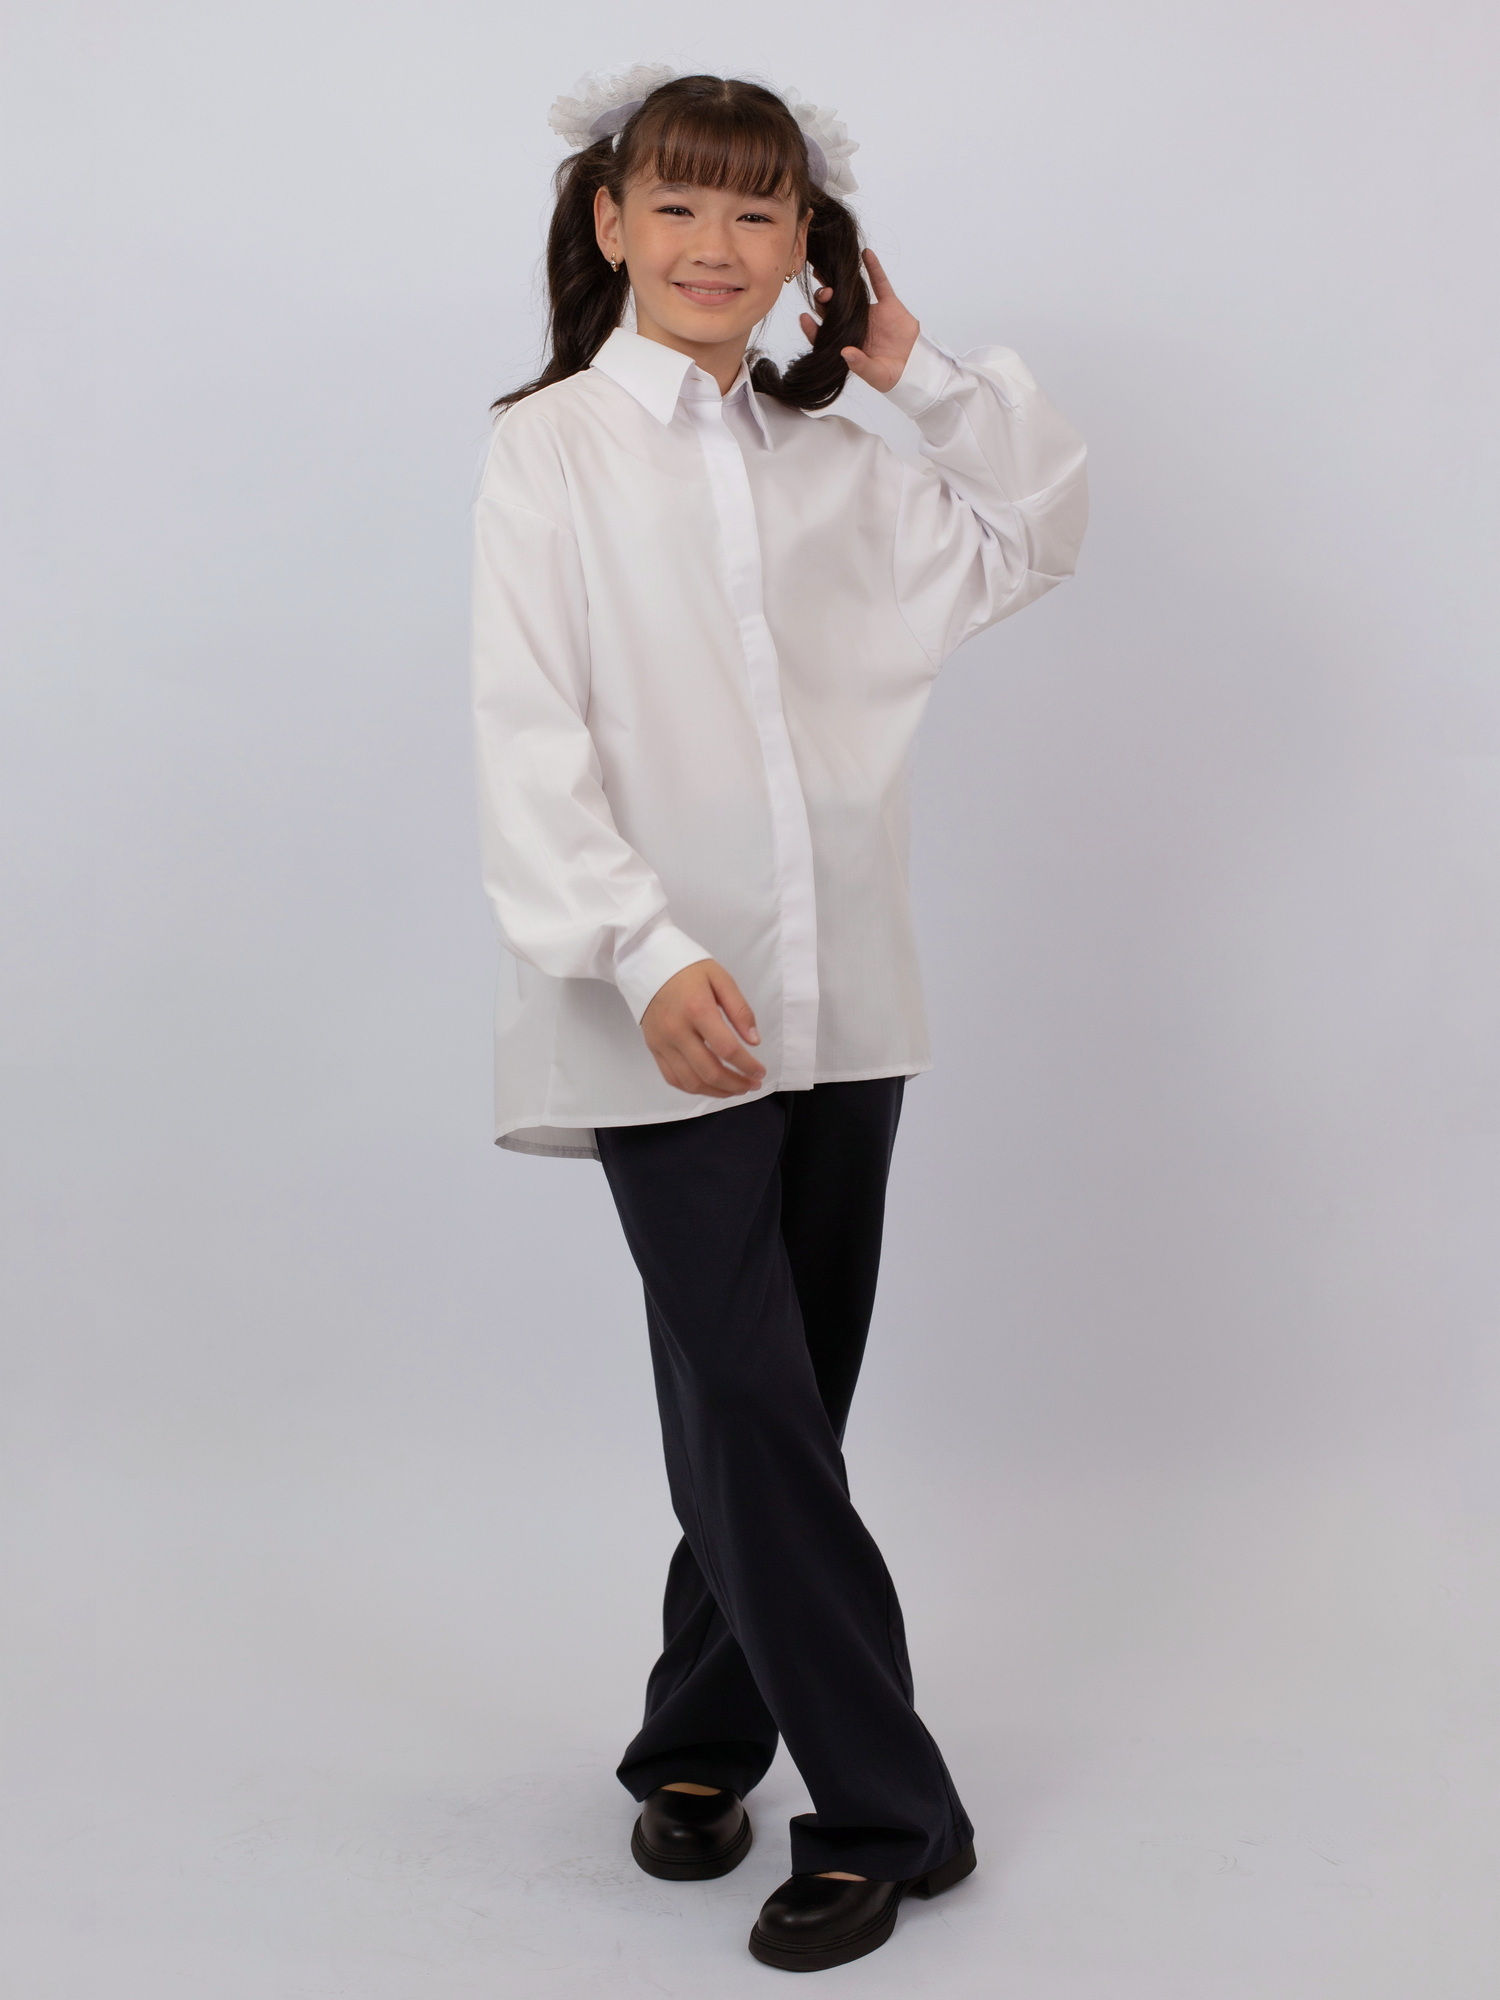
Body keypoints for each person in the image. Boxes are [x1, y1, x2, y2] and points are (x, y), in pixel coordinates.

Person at [470, 66, 1087, 1974]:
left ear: (807, 243)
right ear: (611, 224)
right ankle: (895, 1812)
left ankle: (698, 1734)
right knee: (748, 1397)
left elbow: (1034, 537)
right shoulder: (551, 453)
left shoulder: (837, 464)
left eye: (759, 211)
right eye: (680, 205)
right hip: (660, 1004)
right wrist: (648, 953)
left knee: (784, 1407)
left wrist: (916, 376)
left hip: (848, 1003)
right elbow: (530, 739)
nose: (716, 245)